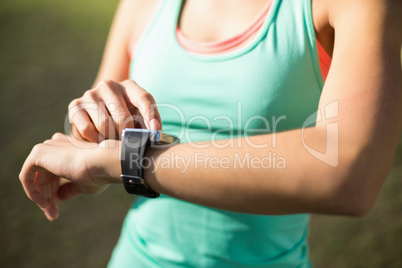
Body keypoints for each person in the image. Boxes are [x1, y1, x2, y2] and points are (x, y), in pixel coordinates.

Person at [19, 0, 402, 267]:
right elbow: (95, 143)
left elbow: (349, 173)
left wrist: (127, 161)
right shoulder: (143, 4)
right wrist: (90, 129)